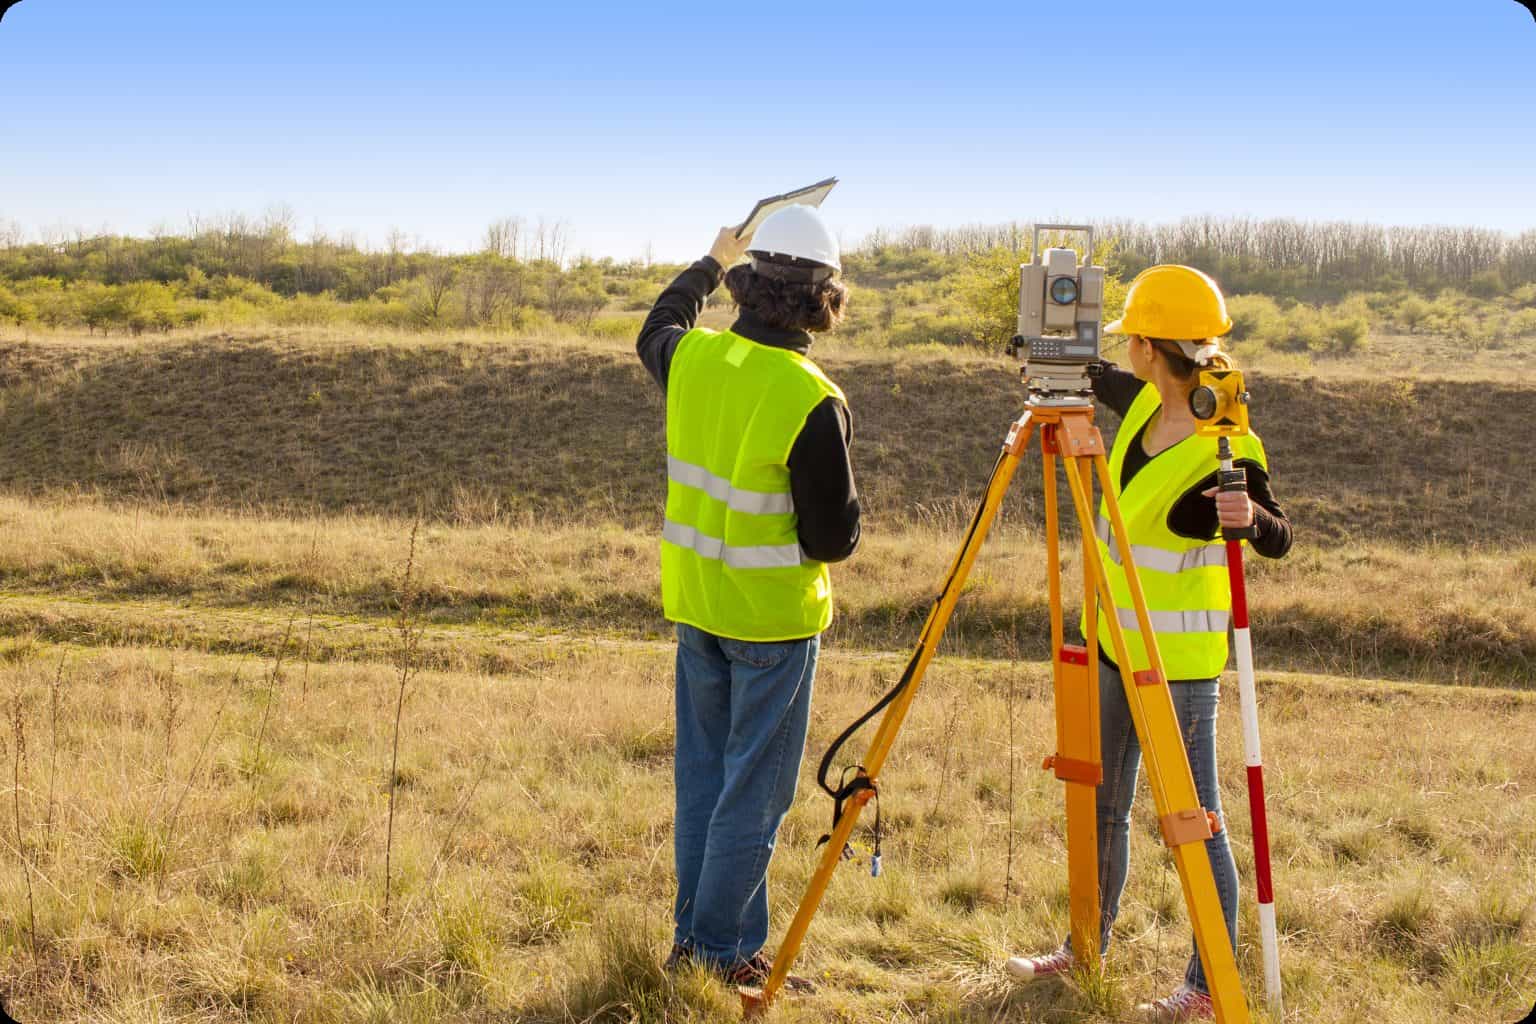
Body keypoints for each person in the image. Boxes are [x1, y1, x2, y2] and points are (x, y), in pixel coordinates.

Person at [1005, 265, 1293, 1022]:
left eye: (1128, 337)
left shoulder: (1228, 441)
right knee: (1100, 803)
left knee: (1193, 825)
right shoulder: (1141, 406)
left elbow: (1277, 537)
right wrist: (1042, 352)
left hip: (1179, 671)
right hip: (1111, 645)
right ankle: (1085, 945)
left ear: (1147, 347)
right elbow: (1091, 376)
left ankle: (1206, 988)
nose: (1120, 351)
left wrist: (1250, 519)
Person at [635, 204, 860, 987]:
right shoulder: (810, 396)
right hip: (771, 625)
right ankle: (721, 953)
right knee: (752, 799)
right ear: (822, 299)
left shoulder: (692, 359)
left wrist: (708, 260)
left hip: (697, 608)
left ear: (746, 283)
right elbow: (832, 539)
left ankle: (695, 942)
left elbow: (657, 325)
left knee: (705, 784)